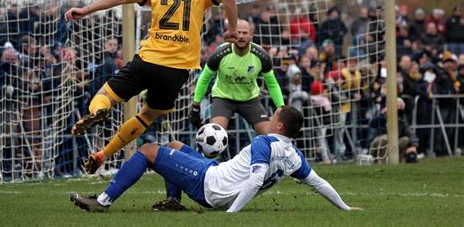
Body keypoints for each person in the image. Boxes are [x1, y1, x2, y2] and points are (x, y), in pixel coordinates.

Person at [64, 0, 239, 174]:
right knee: (146, 116)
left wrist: (86, 10)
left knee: (105, 96)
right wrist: (232, 29)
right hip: (177, 70)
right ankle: (103, 155)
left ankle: (99, 111)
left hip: (148, 60)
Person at [69, 106, 362, 213]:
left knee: (148, 151)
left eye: (273, 116)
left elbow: (255, 179)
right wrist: (345, 208)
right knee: (174, 145)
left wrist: (231, 214)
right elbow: (319, 183)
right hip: (215, 174)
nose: (270, 118)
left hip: (210, 185)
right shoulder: (294, 156)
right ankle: (173, 201)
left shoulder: (264, 143)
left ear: (280, 126)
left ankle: (102, 201)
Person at [189, 20, 284, 134]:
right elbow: (204, 79)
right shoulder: (220, 54)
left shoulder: (262, 56)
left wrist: (281, 107)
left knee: (270, 137)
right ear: (232, 33)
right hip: (223, 98)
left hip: (250, 99)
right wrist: (195, 105)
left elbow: (272, 84)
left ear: (251, 35)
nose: (241, 36)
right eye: (238, 32)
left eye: (245, 33)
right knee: (215, 135)